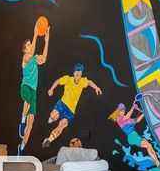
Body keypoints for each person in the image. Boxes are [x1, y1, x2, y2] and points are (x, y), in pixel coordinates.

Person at [42, 64, 102, 148]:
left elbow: (89, 82)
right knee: (54, 116)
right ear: (74, 73)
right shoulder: (67, 79)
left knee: (62, 126)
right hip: (62, 104)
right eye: (77, 75)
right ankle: (52, 118)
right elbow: (58, 81)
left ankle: (49, 140)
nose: (78, 77)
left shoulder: (82, 81)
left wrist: (96, 88)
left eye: (80, 75)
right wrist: (51, 89)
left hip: (70, 111)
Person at [18, 23, 50, 154]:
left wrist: (47, 41)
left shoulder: (35, 58)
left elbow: (45, 58)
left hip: (34, 91)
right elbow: (31, 53)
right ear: (25, 50)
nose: (30, 45)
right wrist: (35, 35)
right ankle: (22, 120)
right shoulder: (25, 57)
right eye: (28, 45)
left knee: (30, 125)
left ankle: (21, 148)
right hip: (25, 87)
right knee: (29, 99)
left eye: (31, 44)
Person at [109, 101, 160, 166]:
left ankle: (157, 162)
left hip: (135, 135)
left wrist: (144, 114)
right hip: (132, 137)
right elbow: (127, 116)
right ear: (118, 111)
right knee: (148, 145)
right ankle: (157, 162)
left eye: (123, 110)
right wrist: (132, 108)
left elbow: (137, 120)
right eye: (121, 110)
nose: (122, 112)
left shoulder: (129, 119)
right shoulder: (119, 119)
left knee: (149, 145)